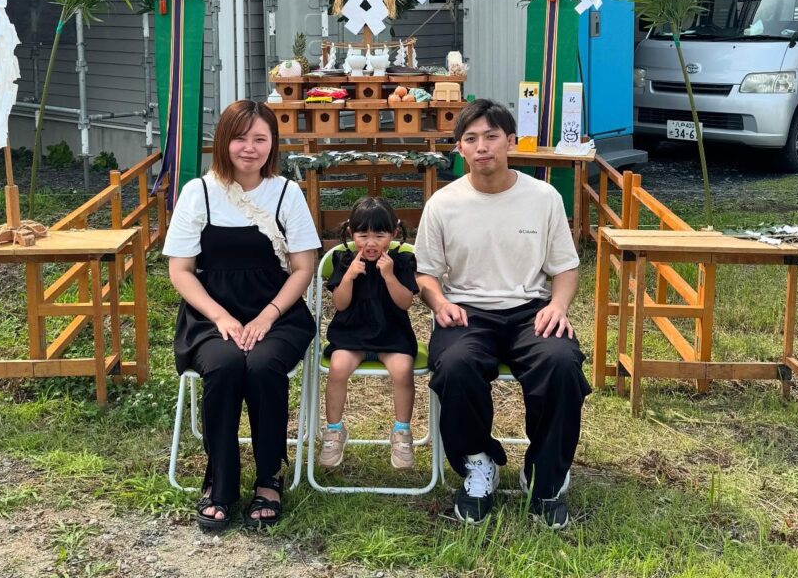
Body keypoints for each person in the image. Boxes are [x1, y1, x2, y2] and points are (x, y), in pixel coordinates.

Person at [414, 98, 591, 529]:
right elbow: (426, 274)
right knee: (455, 367)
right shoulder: (443, 203)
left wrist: (558, 305)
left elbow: (565, 267)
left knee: (561, 363)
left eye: (492, 136)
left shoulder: (542, 197)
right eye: (471, 139)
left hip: (531, 308)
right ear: (459, 148)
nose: (482, 147)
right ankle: (478, 464)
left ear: (511, 141)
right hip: (467, 311)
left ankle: (545, 477)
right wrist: (439, 302)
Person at [164, 100, 320, 532]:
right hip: (211, 314)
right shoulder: (199, 192)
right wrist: (221, 318)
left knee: (264, 366)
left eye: (260, 139)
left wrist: (268, 316)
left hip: (278, 311)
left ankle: (269, 476)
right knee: (226, 364)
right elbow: (180, 270)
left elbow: (304, 267)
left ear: (272, 145)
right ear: (223, 141)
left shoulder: (286, 193)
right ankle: (220, 480)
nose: (249, 148)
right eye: (239, 137)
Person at [317, 196, 419, 471]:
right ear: (351, 233)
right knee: (337, 367)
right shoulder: (344, 259)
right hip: (351, 335)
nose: (371, 242)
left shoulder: (402, 260)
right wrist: (348, 276)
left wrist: (389, 276)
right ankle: (334, 431)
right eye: (363, 235)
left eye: (379, 234)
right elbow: (340, 304)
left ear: (394, 233)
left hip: (392, 336)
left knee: (402, 370)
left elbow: (404, 302)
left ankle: (401, 432)